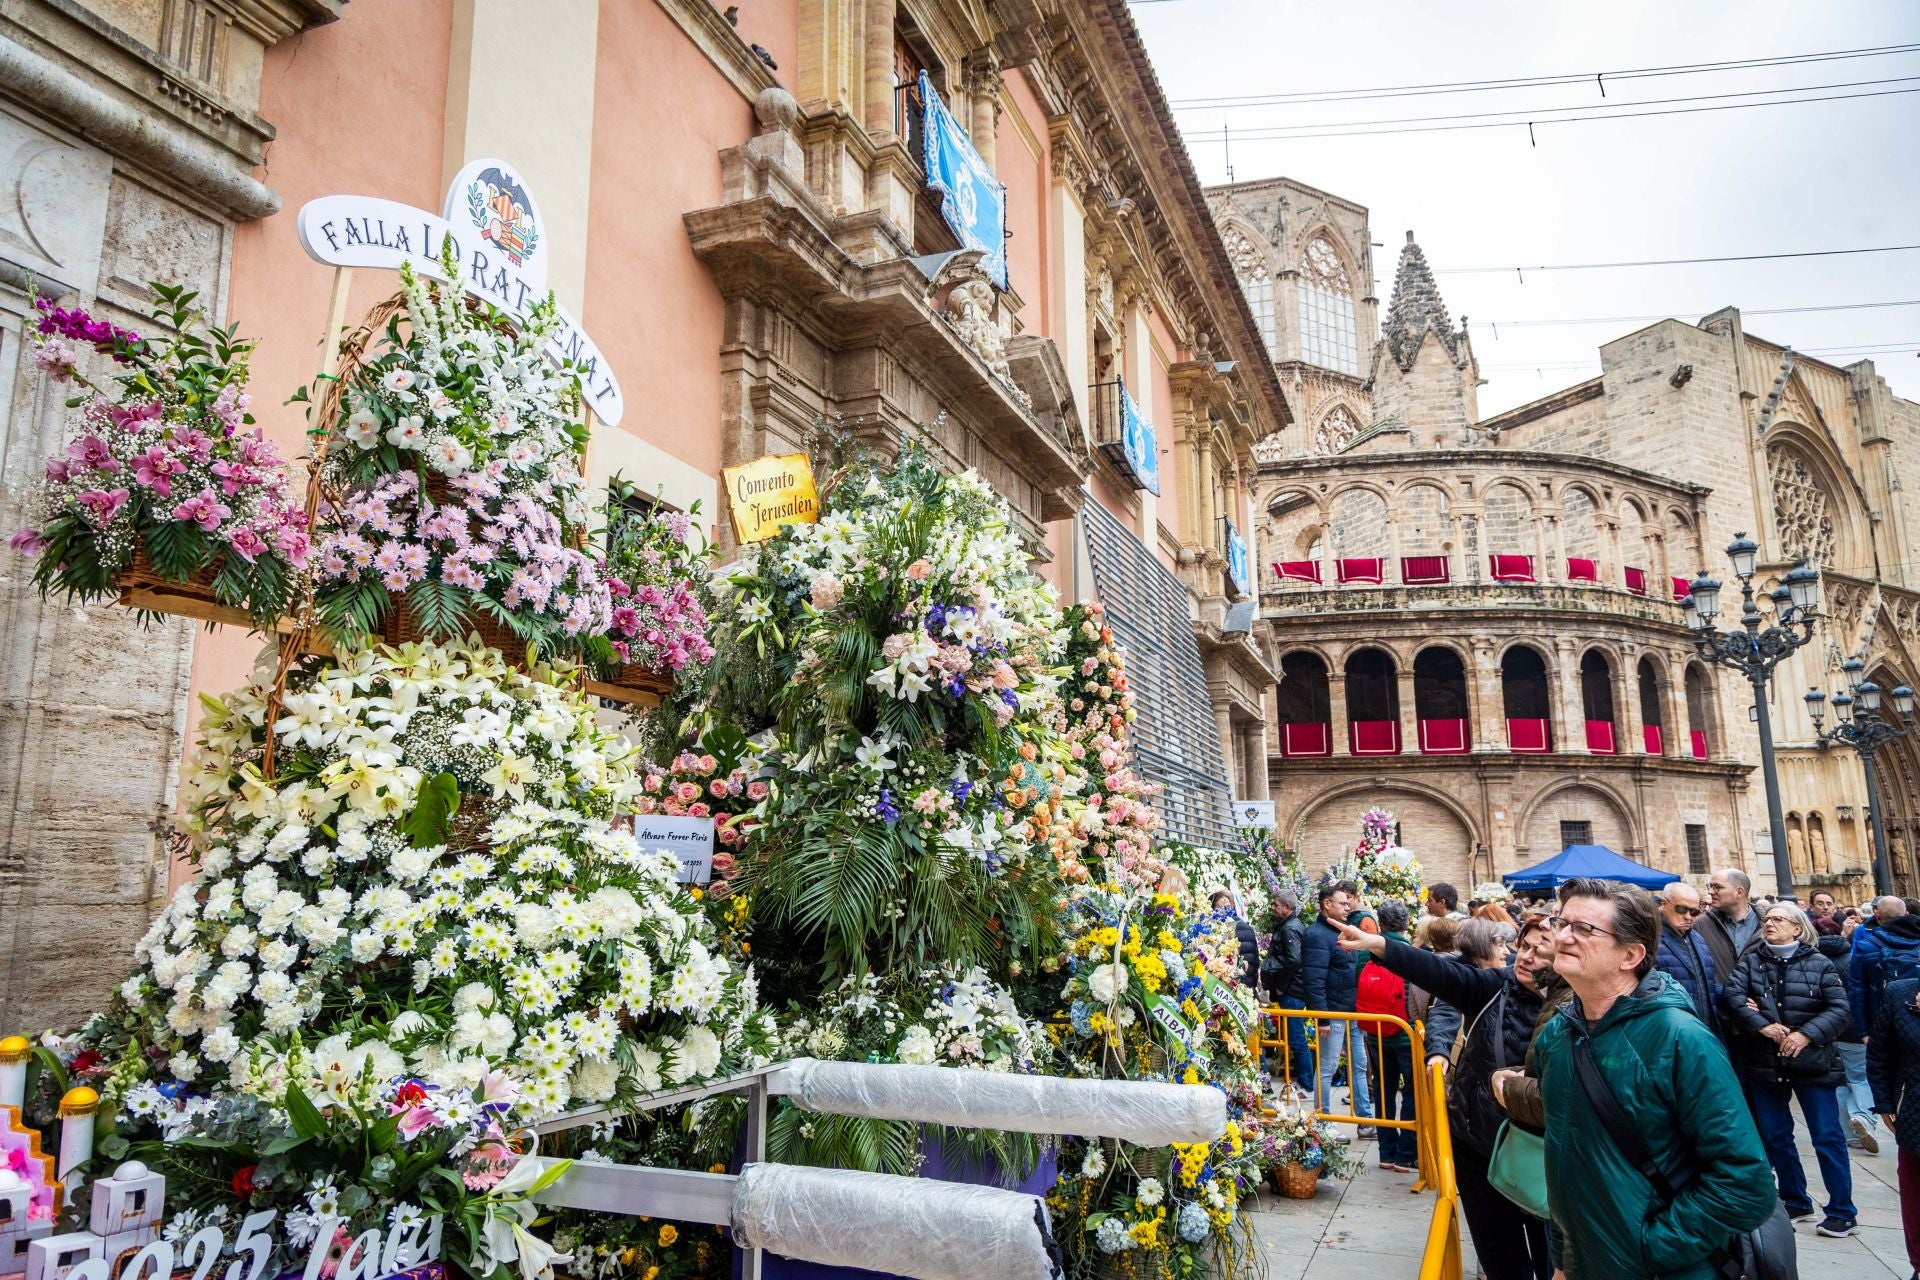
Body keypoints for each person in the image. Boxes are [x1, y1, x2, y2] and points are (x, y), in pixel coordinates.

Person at [1530, 879, 1775, 1280]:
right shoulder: (1559, 1036)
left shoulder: (1681, 1038)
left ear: (1630, 955)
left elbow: (1745, 1182)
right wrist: (1563, 1257)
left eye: (1584, 929)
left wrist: (1648, 1250)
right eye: (1561, 922)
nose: (1562, 936)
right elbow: (1565, 1160)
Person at [1335, 916, 1549, 1280]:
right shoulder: (1497, 985)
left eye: (1541, 953)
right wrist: (1378, 946)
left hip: (1545, 1156)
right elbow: (1439, 975)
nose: (1526, 958)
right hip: (1481, 1147)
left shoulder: (1579, 1005)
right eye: (1524, 947)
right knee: (1503, 1262)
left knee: (1550, 1258)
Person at [1723, 902, 1857, 1236]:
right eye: (1767, 919)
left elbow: (1840, 1010)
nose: (1769, 923)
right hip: (1766, 1063)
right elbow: (1733, 997)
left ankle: (1842, 1210)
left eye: (1777, 919)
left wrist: (1806, 1034)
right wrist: (1762, 1026)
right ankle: (1795, 1199)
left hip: (1813, 1064)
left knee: (1827, 1136)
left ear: (1797, 927)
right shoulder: (1751, 962)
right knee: (1775, 1135)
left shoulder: (1819, 963)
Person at [1302, 882, 1375, 1126]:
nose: (1348, 907)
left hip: (1352, 1011)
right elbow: (1314, 979)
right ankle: (1323, 1123)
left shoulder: (1345, 930)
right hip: (1332, 1013)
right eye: (1343, 903)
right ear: (1327, 904)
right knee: (1327, 1066)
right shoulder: (1316, 935)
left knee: (1360, 1065)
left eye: (1348, 902)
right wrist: (1322, 1017)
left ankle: (1365, 1120)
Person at [1357, 899, 1418, 1172]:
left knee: (1383, 1090)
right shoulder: (1409, 953)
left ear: (1381, 922)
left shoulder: (1366, 952)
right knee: (1413, 1092)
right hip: (1405, 1034)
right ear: (1406, 924)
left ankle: (1386, 1152)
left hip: (1376, 1033)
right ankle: (1406, 1155)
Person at [1866, 973, 1920, 1279]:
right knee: (1915, 1198)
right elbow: (1879, 1052)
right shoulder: (1901, 993)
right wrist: (1884, 1102)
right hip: (1914, 1113)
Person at [1815, 915, 1880, 1153]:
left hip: (1827, 1032)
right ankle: (1863, 1116)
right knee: (1861, 1077)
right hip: (1855, 1030)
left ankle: (1848, 1133)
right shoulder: (1853, 958)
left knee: (1840, 1082)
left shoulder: (1812, 960)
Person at [1262, 889, 1313, 1092]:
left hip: (1292, 991)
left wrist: (1282, 986)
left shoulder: (1290, 929)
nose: (1273, 908)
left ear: (1287, 907)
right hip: (1291, 989)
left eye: (1276, 905)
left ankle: (1306, 1084)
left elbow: (1295, 960)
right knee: (1295, 1036)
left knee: (1296, 1037)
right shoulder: (1289, 926)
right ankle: (1306, 1081)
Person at [1653, 881, 1719, 1031]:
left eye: (1694, 912)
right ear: (1664, 904)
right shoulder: (1649, 938)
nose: (1688, 917)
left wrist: (1740, 1000)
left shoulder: (1698, 938)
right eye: (1681, 909)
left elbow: (1708, 984)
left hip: (1704, 1027)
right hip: (1670, 1030)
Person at [1696, 867, 1761, 979]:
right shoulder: (1701, 925)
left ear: (1739, 892)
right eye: (1710, 886)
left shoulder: (1768, 923)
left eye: (1717, 887)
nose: (1710, 892)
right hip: (1719, 995)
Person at [1211, 889, 1261, 992]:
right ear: (1233, 906)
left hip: (1224, 985)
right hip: (1244, 987)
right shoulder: (1248, 928)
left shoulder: (1214, 930)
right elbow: (1255, 962)